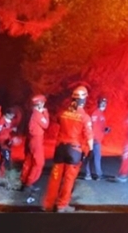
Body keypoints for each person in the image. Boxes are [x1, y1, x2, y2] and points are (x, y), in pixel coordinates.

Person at [42, 85, 93, 213]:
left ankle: (48, 204)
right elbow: (89, 136)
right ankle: (62, 205)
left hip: (60, 149)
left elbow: (59, 121)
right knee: (69, 179)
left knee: (55, 177)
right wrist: (90, 151)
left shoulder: (63, 113)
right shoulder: (85, 117)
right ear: (84, 100)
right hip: (74, 151)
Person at [20, 94, 50, 192]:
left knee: (28, 161)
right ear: (40, 104)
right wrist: (45, 112)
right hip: (36, 140)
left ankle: (24, 181)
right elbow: (46, 124)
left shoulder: (31, 113)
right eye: (43, 103)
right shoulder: (37, 114)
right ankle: (29, 183)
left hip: (30, 139)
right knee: (39, 163)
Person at [81, 96, 109, 180]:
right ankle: (89, 174)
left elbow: (100, 128)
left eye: (105, 103)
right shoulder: (95, 114)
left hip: (97, 139)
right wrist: (93, 138)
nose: (103, 105)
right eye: (102, 103)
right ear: (98, 103)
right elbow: (93, 127)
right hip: (93, 139)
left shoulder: (101, 114)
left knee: (96, 157)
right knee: (89, 156)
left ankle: (97, 174)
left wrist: (105, 130)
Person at [0, 107, 18, 182]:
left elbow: (7, 132)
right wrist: (10, 129)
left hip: (6, 141)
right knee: (5, 158)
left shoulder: (9, 121)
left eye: (13, 115)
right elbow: (0, 131)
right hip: (2, 142)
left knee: (4, 158)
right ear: (7, 114)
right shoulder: (2, 120)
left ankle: (1, 174)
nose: (12, 117)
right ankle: (0, 174)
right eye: (11, 115)